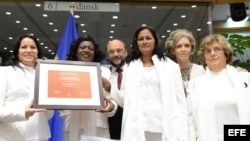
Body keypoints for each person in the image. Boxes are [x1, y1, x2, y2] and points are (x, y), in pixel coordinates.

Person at [108, 26, 188, 141]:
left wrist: (183, 131)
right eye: (141, 39)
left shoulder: (171, 67)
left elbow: (181, 102)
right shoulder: (130, 67)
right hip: (136, 128)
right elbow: (126, 100)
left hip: (162, 128)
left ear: (155, 41)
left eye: (148, 38)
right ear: (136, 43)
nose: (144, 41)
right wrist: (109, 88)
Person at [187, 34, 250, 141]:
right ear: (204, 57)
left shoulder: (243, 79)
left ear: (226, 54)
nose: (212, 54)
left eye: (217, 49)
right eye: (208, 51)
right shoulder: (194, 85)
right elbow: (190, 120)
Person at [0, 34, 54, 141]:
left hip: (39, 135)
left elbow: (48, 116)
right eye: (24, 47)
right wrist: (23, 113)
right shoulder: (4, 72)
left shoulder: (44, 76)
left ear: (37, 52)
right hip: (11, 136)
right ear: (17, 52)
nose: (29, 50)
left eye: (33, 47)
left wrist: (50, 105)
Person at [63, 35, 112, 141]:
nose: (86, 50)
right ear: (75, 51)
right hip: (72, 125)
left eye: (91, 49)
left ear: (95, 53)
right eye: (82, 47)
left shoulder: (105, 72)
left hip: (98, 125)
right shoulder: (65, 71)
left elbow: (112, 100)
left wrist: (108, 88)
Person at [105, 39, 128, 139]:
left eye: (119, 50)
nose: (115, 54)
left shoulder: (136, 71)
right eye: (111, 52)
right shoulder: (104, 74)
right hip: (111, 127)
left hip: (132, 125)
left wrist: (110, 87)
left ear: (126, 52)